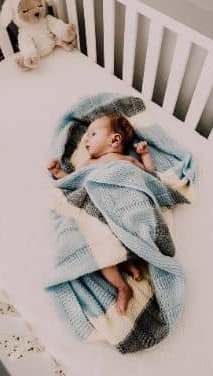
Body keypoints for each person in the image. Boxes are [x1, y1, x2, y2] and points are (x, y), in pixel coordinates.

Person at [47, 113, 155, 313]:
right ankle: (123, 286)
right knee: (100, 248)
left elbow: (150, 178)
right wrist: (58, 174)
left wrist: (145, 156)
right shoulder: (88, 165)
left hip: (122, 209)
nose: (86, 140)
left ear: (114, 140)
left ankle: (127, 263)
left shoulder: (127, 160)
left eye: (92, 134)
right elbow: (74, 182)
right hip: (97, 211)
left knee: (119, 238)